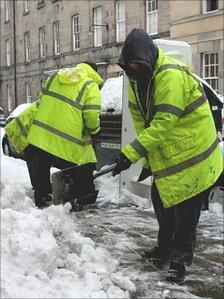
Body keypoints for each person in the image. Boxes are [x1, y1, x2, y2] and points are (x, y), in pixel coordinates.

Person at [112, 28, 223, 283]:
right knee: (162, 202)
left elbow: (162, 123)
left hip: (194, 153)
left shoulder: (170, 75)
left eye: (137, 64)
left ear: (148, 57)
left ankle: (179, 262)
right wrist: (143, 153)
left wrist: (129, 154)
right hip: (171, 152)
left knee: (186, 212)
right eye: (130, 66)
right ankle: (164, 250)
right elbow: (140, 120)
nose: (134, 70)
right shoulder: (137, 80)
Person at [27, 62, 103, 208]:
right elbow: (92, 114)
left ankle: (41, 205)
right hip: (67, 138)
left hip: (41, 133)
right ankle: (69, 205)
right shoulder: (90, 84)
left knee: (42, 171)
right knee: (71, 172)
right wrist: (95, 131)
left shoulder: (55, 76)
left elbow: (41, 100)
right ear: (94, 71)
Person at [4, 101, 40, 189]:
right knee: (34, 163)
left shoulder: (38, 106)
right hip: (26, 136)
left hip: (27, 135)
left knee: (34, 164)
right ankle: (37, 186)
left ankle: (37, 186)